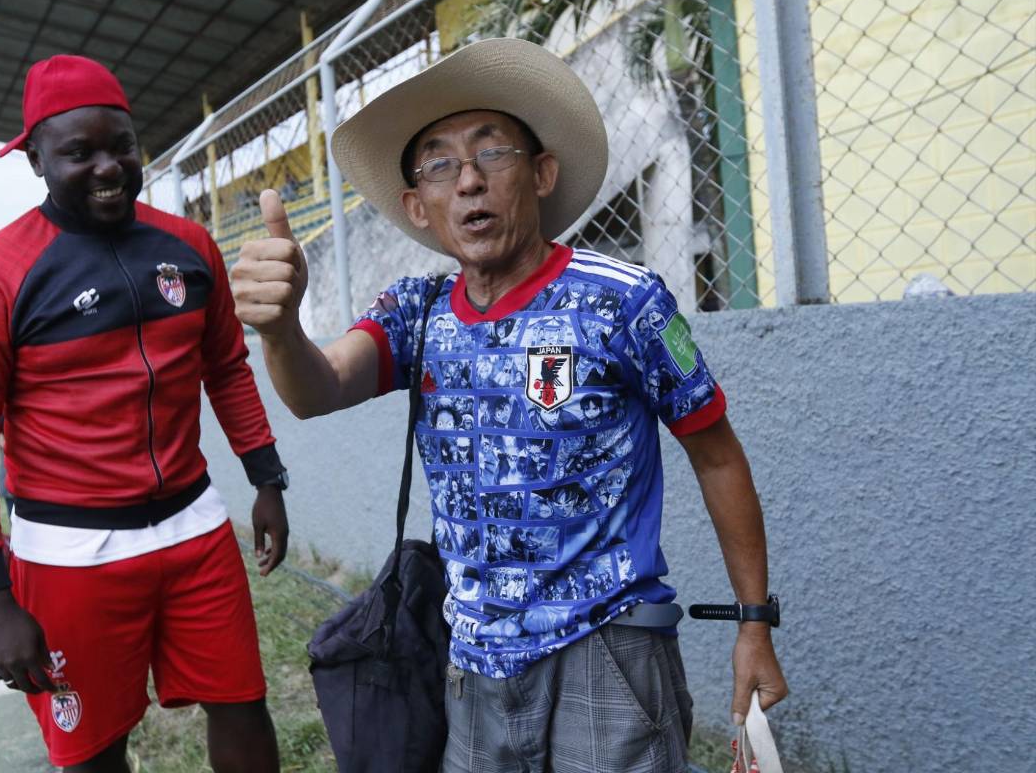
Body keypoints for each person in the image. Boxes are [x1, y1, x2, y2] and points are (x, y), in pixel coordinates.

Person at [230, 38, 785, 772]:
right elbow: (318, 388)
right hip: (473, 665)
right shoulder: (415, 312)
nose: (467, 182)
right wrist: (279, 330)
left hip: (609, 648)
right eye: (438, 164)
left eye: (491, 154)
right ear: (416, 206)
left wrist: (753, 624)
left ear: (541, 173)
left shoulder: (625, 302)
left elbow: (717, 456)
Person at [0, 55, 289, 773]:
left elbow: (226, 369)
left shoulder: (187, 249)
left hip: (195, 530)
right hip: (70, 556)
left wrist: (266, 479)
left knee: (243, 703)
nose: (107, 167)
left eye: (121, 146)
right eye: (78, 152)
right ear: (35, 158)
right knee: (94, 747)